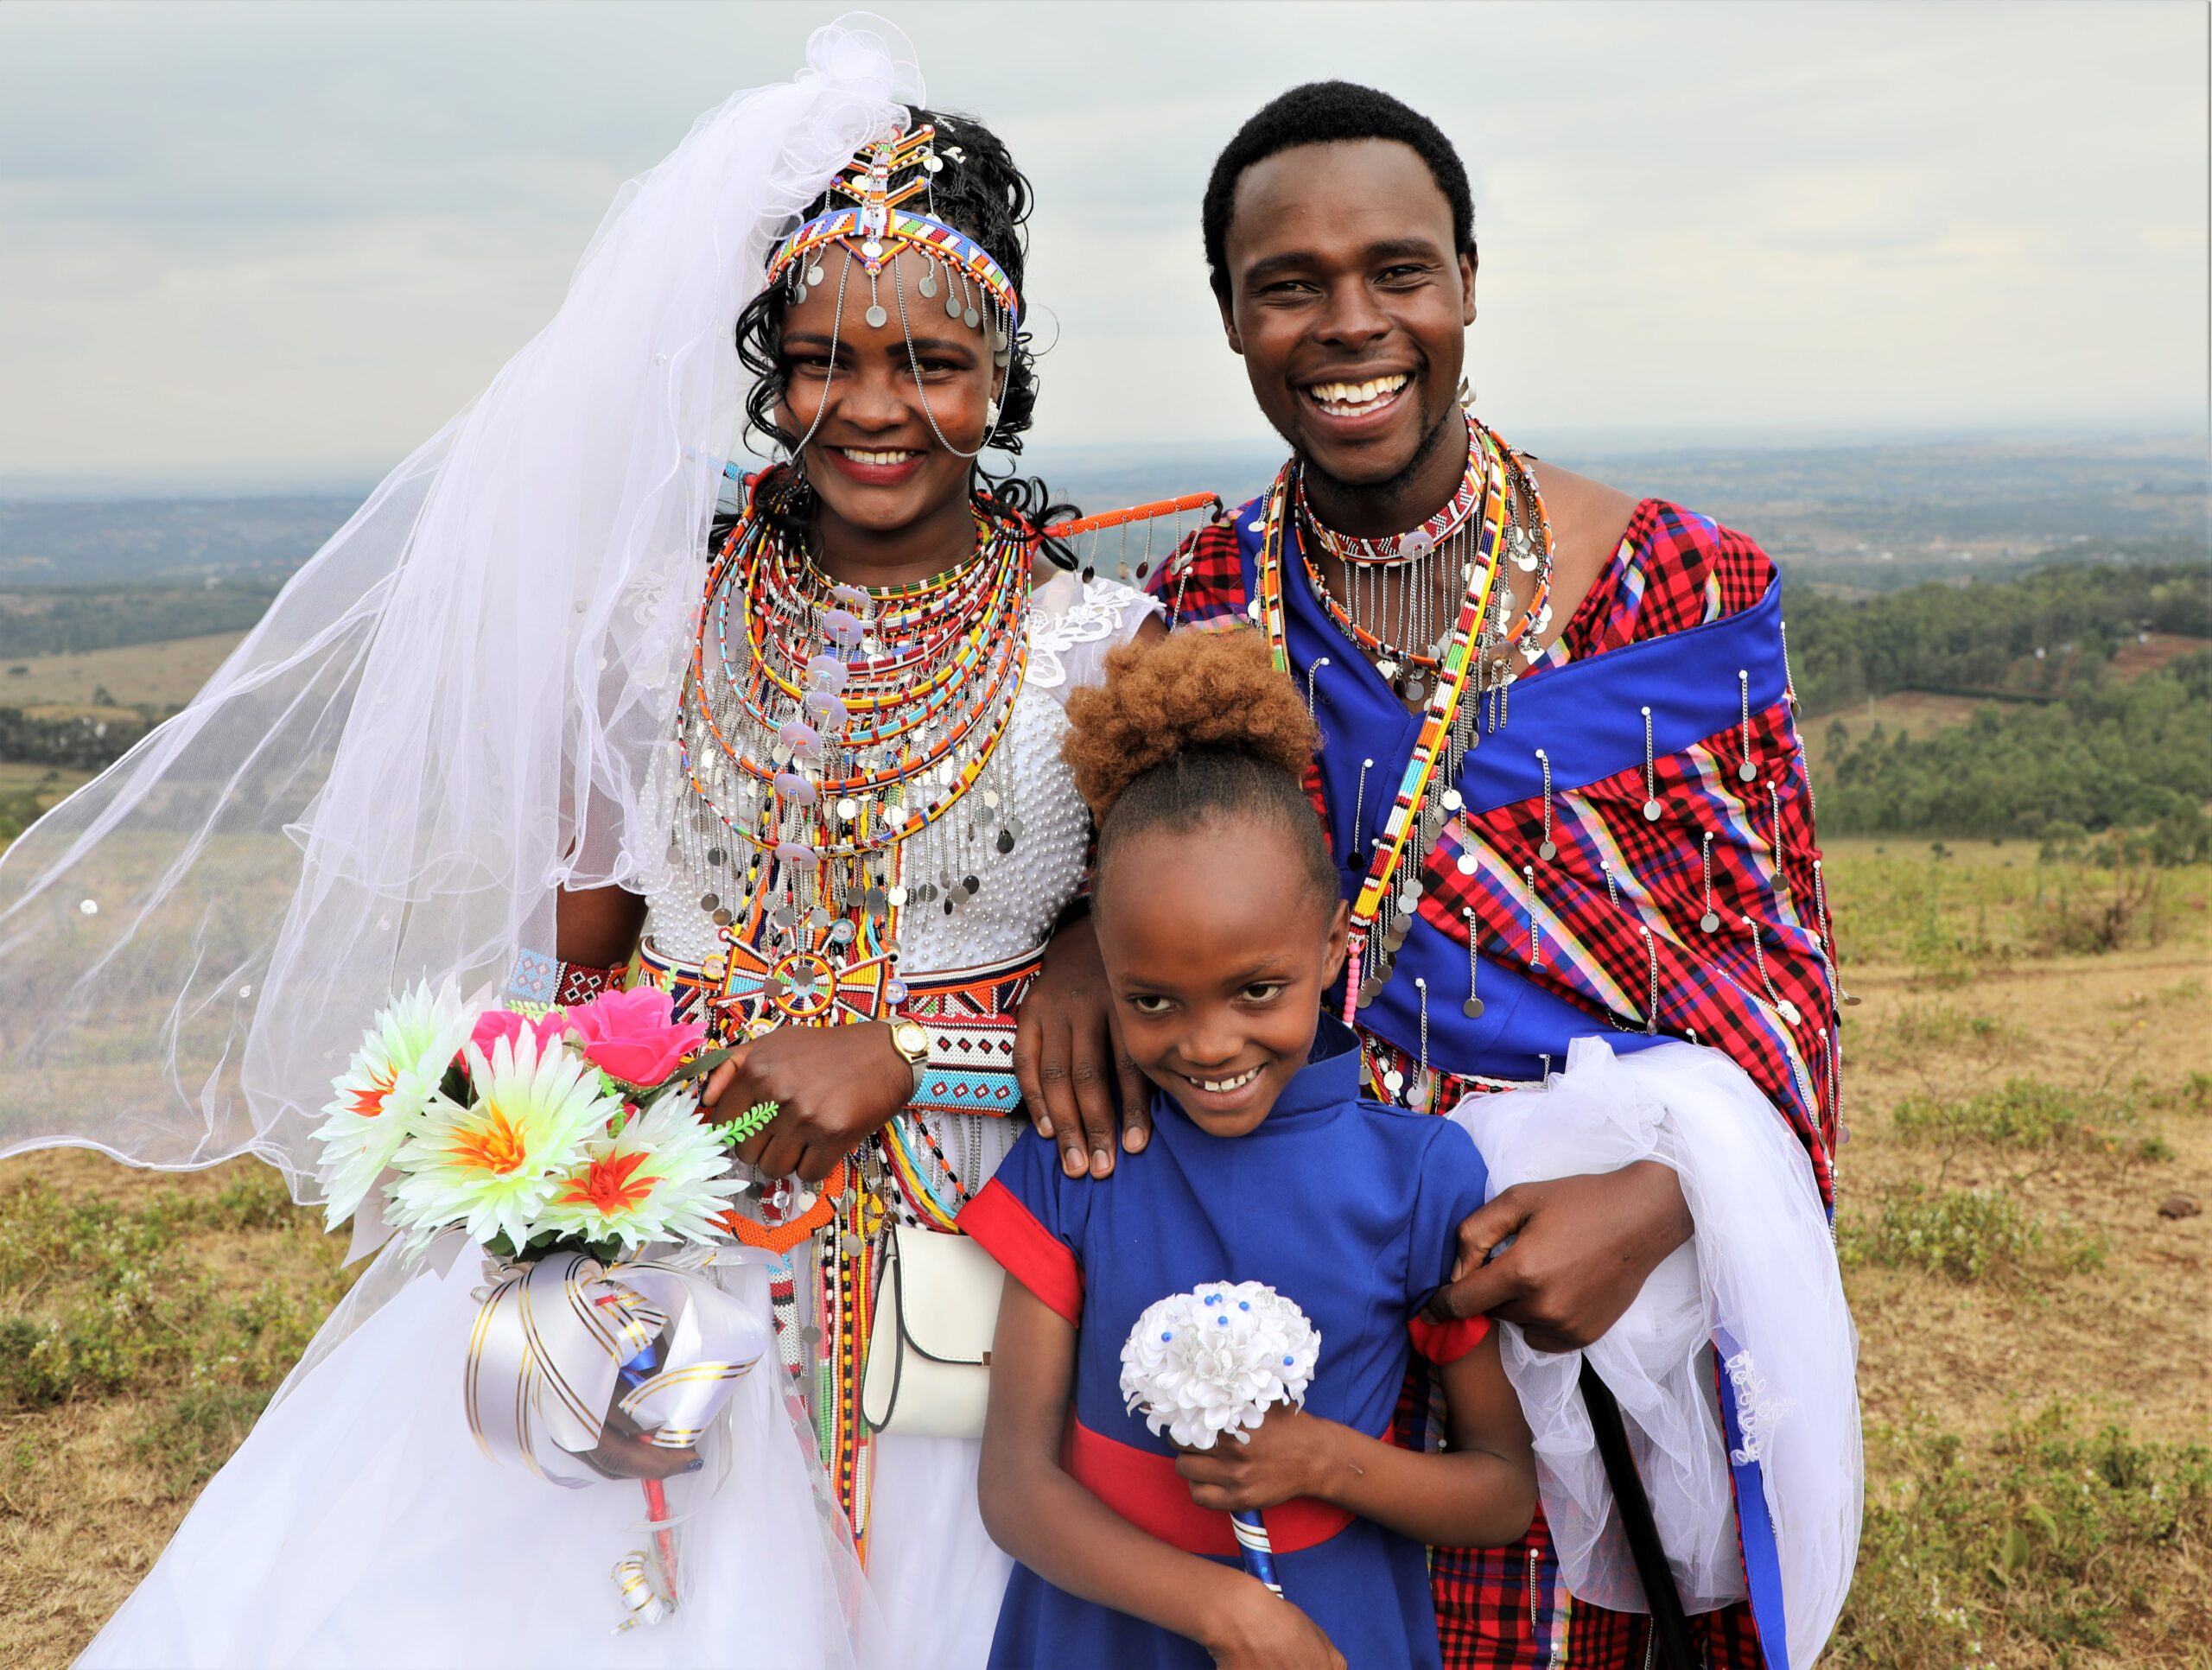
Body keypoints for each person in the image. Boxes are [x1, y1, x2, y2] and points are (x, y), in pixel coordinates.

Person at [1, 20, 1179, 1667]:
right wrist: (541, 1167)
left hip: (972, 1258)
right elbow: (579, 955)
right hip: (667, 1217)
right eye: (824, 357)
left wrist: (932, 1034)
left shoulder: (1103, 650)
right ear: (768, 365)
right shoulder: (647, 627)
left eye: (930, 359)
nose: (874, 405)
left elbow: (1161, 977)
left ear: (1004, 369)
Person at [1020, 81, 1859, 1670]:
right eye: (1290, 284)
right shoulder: (1199, 610)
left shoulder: (1674, 583)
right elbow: (1159, 904)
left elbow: (1784, 976)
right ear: (1231, 316)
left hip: (1594, 1299)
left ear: (1467, 280)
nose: (1351, 322)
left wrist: (1652, 1206)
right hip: (1306, 1292)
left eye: (1397, 270)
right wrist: (1075, 933)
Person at [963, 628, 1537, 1670]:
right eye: (1151, 1001)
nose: (1208, 1043)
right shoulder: (1082, 1159)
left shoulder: (1419, 1178)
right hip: (1101, 1627)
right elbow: (1014, 1488)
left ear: (1331, 946)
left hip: (1333, 1625)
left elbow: (1499, 1491)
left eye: (1256, 990)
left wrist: (1321, 1460)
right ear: (1105, 968)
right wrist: (1228, 1612)